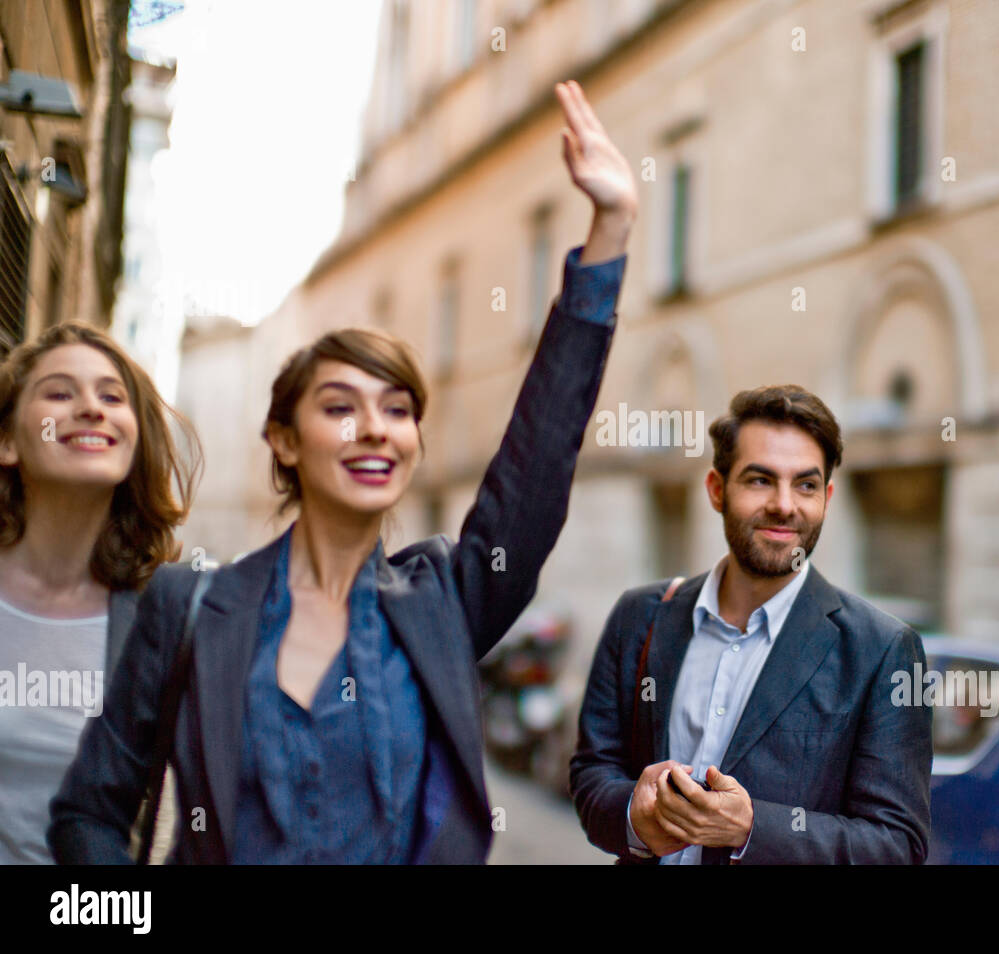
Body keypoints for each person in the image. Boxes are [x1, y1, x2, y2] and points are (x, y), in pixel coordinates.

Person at [48, 79, 636, 864]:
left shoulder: (443, 607)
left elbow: (537, 464)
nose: (375, 430)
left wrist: (611, 229)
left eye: (398, 410)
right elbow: (88, 816)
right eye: (340, 407)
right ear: (284, 441)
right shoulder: (189, 609)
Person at [570, 385, 933, 864]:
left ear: (826, 497)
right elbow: (593, 771)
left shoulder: (882, 650)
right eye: (760, 480)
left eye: (805, 485)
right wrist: (633, 819)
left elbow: (896, 846)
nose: (785, 504)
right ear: (717, 490)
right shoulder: (640, 616)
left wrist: (751, 829)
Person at [0, 321, 200, 863]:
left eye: (113, 397)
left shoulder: (175, 622)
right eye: (59, 393)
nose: (91, 408)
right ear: (9, 442)